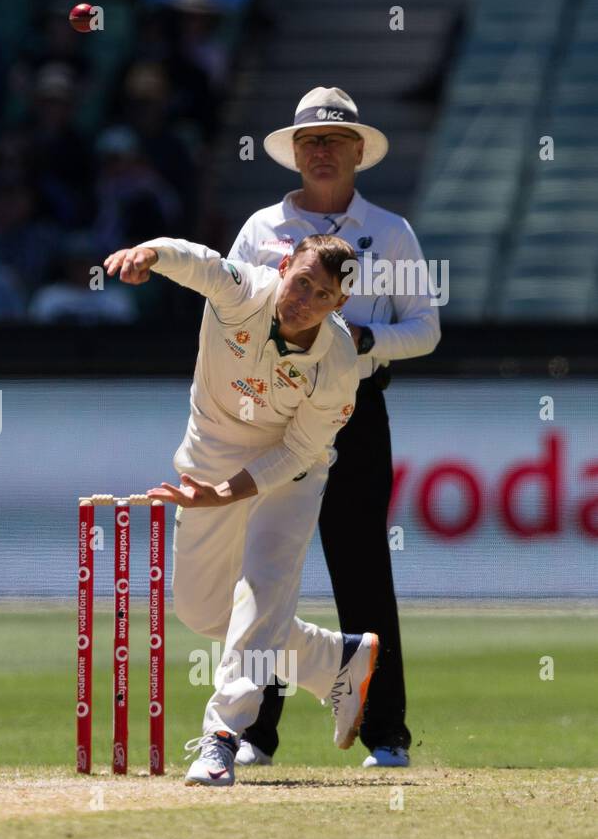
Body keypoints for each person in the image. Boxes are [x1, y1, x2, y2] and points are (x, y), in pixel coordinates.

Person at [104, 234, 379, 786]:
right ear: (284, 267)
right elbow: (198, 263)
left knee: (259, 595)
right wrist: (150, 256)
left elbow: (301, 450)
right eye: (301, 281)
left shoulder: (340, 360)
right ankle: (332, 660)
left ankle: (222, 738)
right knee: (205, 614)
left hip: (287, 478)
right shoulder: (245, 290)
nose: (304, 299)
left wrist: (227, 493)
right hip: (207, 463)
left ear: (338, 305)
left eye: (322, 295)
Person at [230, 87, 440, 769]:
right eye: (310, 141)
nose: (321, 152)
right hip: (275, 410)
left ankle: (386, 733)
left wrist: (357, 338)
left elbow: (425, 331)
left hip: (354, 409)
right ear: (294, 151)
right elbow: (230, 318)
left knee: (362, 569)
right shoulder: (261, 229)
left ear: (359, 152)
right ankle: (254, 730)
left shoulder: (391, 231)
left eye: (334, 141)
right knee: (267, 573)